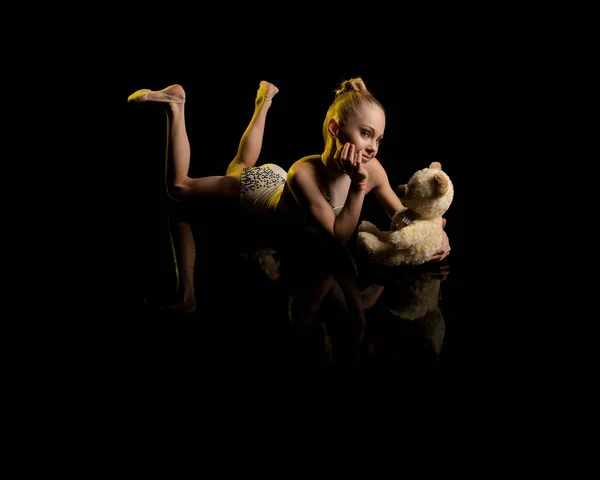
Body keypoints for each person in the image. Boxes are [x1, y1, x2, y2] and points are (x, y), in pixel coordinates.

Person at [128, 78, 450, 308]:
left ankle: (263, 101)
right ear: (334, 129)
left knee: (239, 164)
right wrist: (358, 186)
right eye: (365, 134)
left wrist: (435, 234)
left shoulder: (374, 167)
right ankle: (176, 105)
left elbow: (402, 218)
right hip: (260, 195)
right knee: (181, 189)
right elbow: (338, 237)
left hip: (277, 186)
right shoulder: (303, 172)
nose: (371, 148)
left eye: (377, 139)